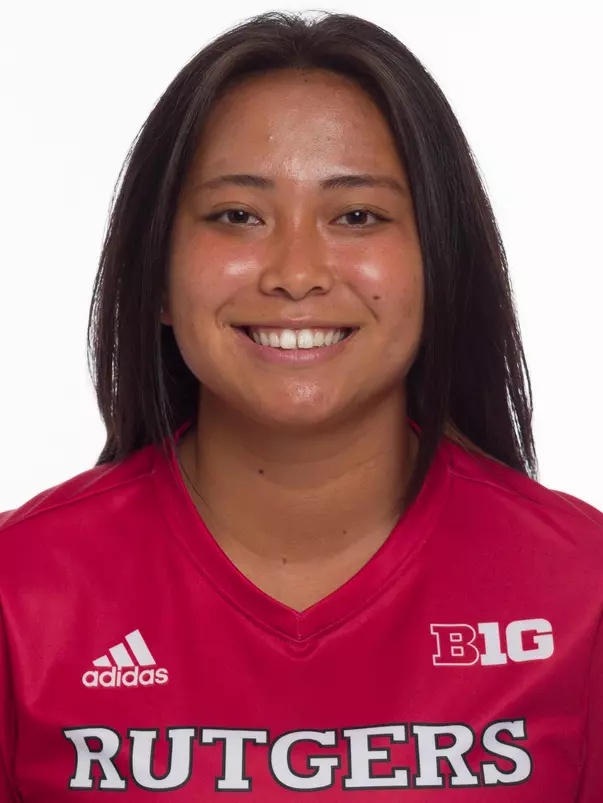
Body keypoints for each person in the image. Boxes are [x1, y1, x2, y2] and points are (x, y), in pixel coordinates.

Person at [0, 10, 601, 801]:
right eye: (237, 216)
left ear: (439, 266)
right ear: (157, 277)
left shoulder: (582, 591)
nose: (295, 272)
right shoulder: (19, 593)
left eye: (356, 216)